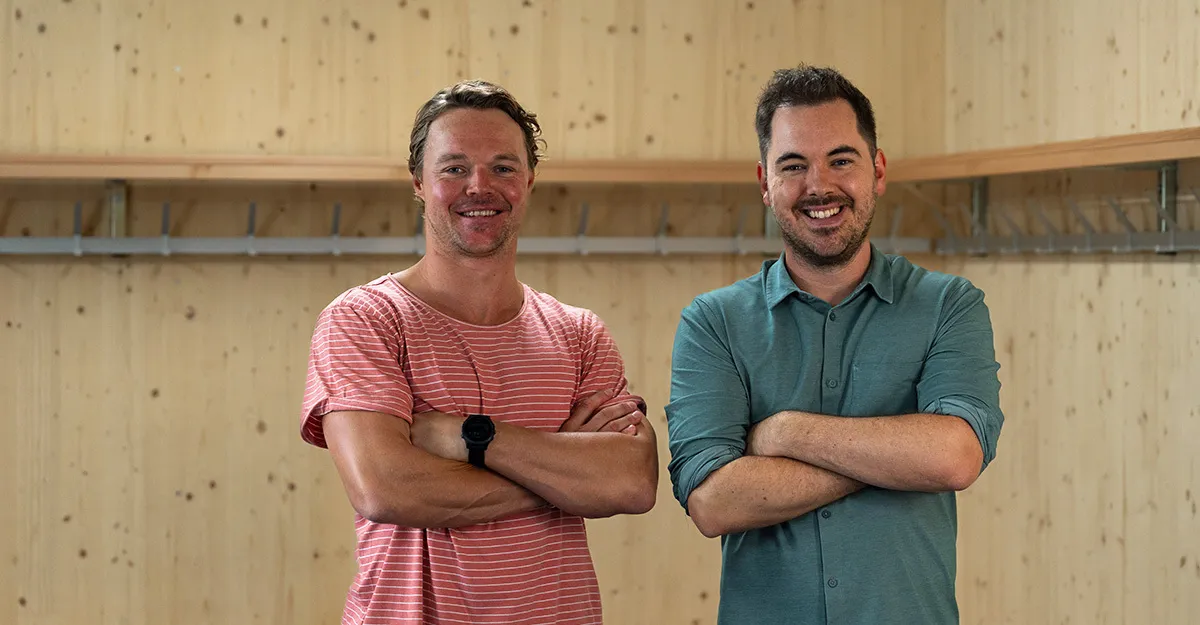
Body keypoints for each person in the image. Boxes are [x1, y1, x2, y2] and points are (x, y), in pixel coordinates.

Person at [300, 80, 658, 625]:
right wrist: (562, 472)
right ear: (418, 182)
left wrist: (470, 437)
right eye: (454, 168)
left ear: (529, 181)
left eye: (503, 167)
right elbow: (384, 489)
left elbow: (631, 482)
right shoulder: (365, 319)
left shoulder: (579, 333)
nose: (479, 186)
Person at [664, 65, 1004, 624]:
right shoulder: (714, 323)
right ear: (765, 183)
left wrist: (784, 433)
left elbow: (954, 457)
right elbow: (713, 500)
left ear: (878, 170)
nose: (818, 186)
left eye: (841, 160)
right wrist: (899, 458)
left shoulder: (950, 305)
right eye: (793, 165)